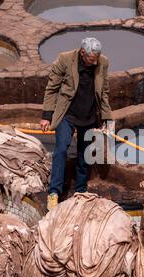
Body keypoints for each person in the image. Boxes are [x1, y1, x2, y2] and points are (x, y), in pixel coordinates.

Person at [40, 37, 113, 210]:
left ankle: (80, 190)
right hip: (67, 115)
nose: (94, 63)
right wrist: (46, 116)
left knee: (84, 154)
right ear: (82, 53)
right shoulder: (64, 60)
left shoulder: (103, 62)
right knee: (61, 149)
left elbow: (104, 92)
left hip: (88, 115)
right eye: (91, 59)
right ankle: (54, 192)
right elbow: (52, 89)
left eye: (96, 59)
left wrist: (107, 118)